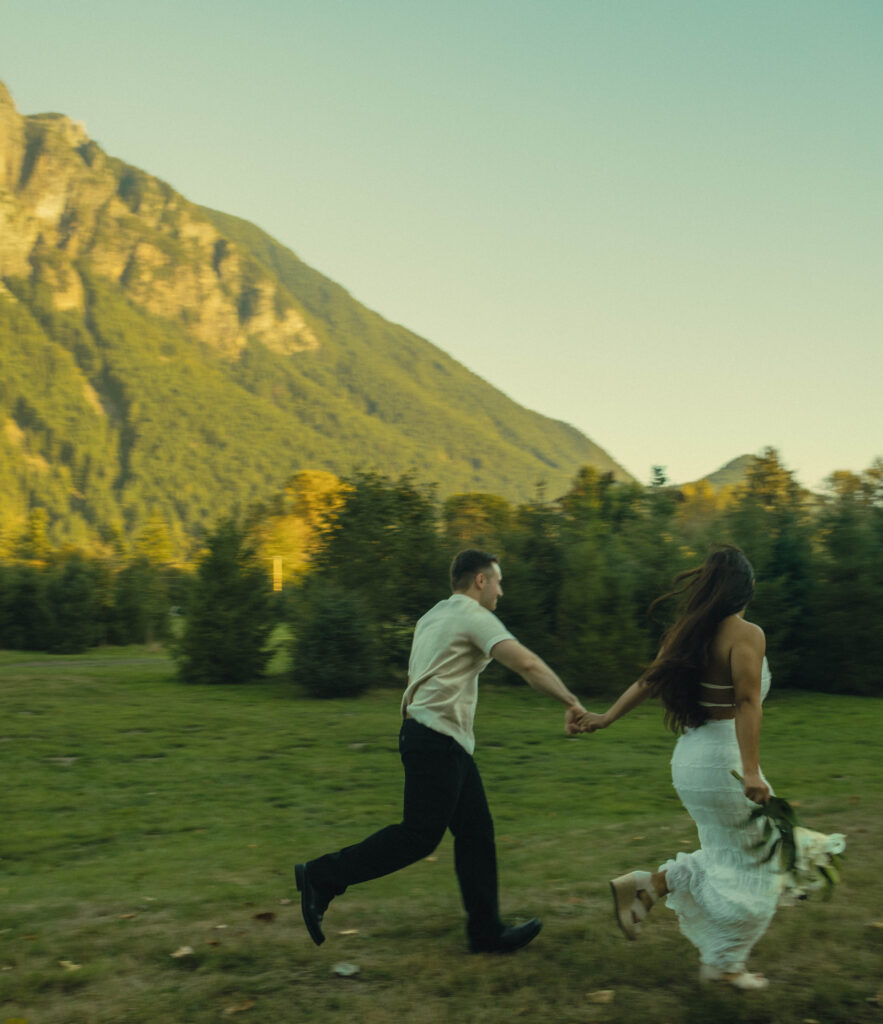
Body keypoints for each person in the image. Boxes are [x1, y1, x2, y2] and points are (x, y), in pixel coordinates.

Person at [296, 549, 587, 953]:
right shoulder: (473, 616)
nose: (501, 592)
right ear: (480, 581)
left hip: (433, 738)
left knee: (476, 834)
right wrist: (571, 702)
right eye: (498, 582)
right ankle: (321, 876)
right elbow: (528, 665)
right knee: (418, 836)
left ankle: (486, 933)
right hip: (436, 739)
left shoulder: (433, 615)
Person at [574, 544, 779, 990]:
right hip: (724, 761)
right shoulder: (747, 634)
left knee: (732, 853)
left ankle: (649, 890)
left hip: (690, 760)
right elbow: (746, 701)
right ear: (746, 589)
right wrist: (750, 770)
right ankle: (723, 962)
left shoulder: (687, 633)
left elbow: (648, 680)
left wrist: (606, 717)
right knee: (765, 857)